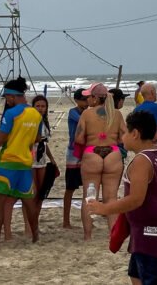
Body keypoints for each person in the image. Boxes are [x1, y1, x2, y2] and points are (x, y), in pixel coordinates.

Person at [87, 110, 157, 285]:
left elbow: (136, 199)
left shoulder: (142, 161)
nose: (122, 137)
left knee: (150, 277)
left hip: (152, 228)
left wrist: (104, 208)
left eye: (125, 132)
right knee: (136, 273)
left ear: (135, 133)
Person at [0, 77, 42, 250]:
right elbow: (37, 138)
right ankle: (35, 234)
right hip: (25, 162)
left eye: (6, 98)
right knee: (29, 202)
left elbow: (0, 140)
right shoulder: (36, 114)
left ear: (11, 96)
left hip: (7, 163)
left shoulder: (11, 113)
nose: (6, 101)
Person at [75, 82, 126, 239]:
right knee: (111, 198)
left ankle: (88, 235)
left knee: (90, 197)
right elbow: (124, 136)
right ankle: (113, 234)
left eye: (89, 97)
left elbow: (78, 138)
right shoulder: (116, 114)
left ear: (96, 98)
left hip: (92, 154)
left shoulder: (86, 114)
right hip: (113, 154)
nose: (88, 100)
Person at [28, 94, 57, 234]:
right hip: (31, 159)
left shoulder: (44, 122)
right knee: (32, 194)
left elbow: (44, 143)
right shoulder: (30, 121)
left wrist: (51, 158)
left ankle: (35, 223)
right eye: (38, 106)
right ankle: (29, 226)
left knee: (41, 193)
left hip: (42, 159)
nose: (40, 108)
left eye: (43, 106)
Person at [62, 88, 89, 229]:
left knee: (88, 187)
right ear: (77, 100)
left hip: (87, 152)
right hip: (74, 153)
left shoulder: (88, 112)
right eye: (84, 100)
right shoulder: (73, 112)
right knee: (70, 187)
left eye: (88, 99)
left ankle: (87, 219)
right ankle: (66, 221)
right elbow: (84, 122)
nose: (86, 102)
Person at [133, 83, 157, 147]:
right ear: (152, 92)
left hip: (142, 145)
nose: (156, 94)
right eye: (156, 92)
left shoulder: (136, 110)